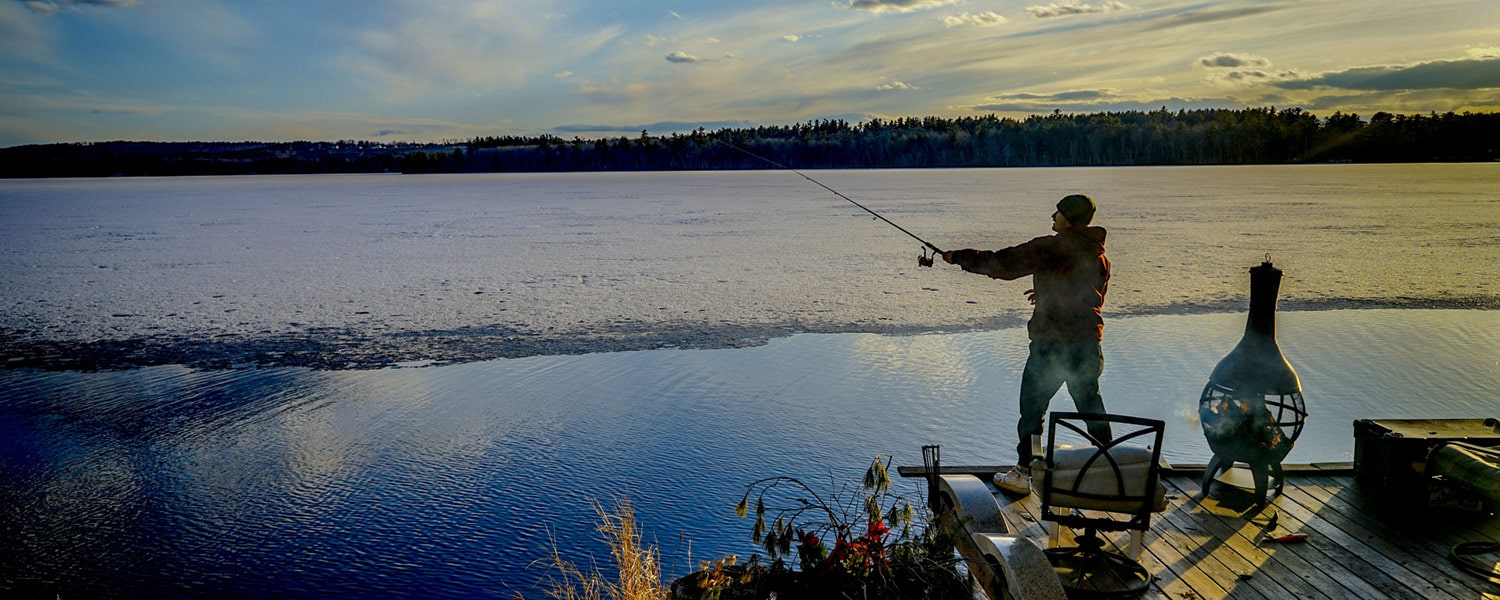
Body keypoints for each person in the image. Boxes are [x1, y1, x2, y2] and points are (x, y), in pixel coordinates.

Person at [941, 193, 1113, 496]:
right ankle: (1110, 466)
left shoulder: (1050, 247)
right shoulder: (1098, 254)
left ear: (1070, 219)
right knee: (1091, 407)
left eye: (1058, 212)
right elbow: (1089, 294)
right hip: (1086, 344)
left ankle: (1025, 470)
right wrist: (1047, 293)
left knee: (1032, 410)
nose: (1052, 216)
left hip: (1052, 347)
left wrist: (959, 257)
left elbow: (1002, 264)